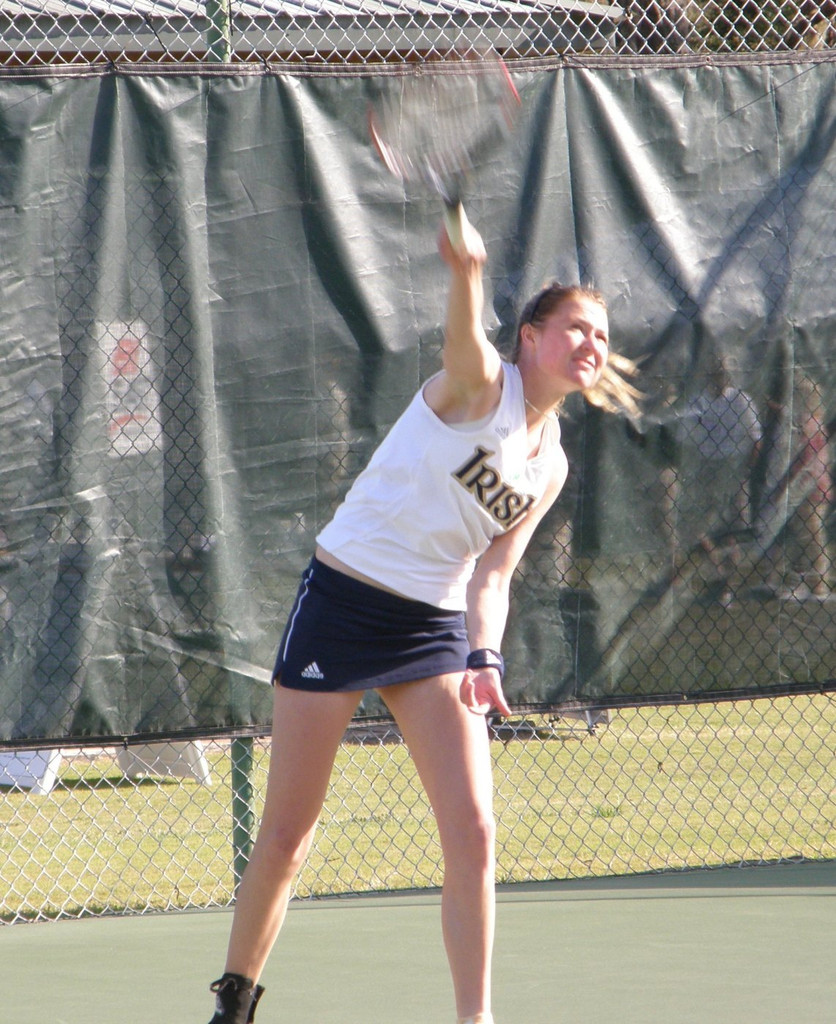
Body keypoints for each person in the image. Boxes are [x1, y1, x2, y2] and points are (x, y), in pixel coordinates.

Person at [203, 214, 640, 1024]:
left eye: (603, 335)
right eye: (577, 327)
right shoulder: (481, 386)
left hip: (433, 629)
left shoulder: (549, 465)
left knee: (474, 831)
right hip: (343, 603)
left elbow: (494, 573)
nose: (592, 343)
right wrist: (467, 272)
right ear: (532, 337)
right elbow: (463, 339)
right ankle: (235, 1002)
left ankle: (476, 1018)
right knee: (290, 834)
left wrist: (484, 655)